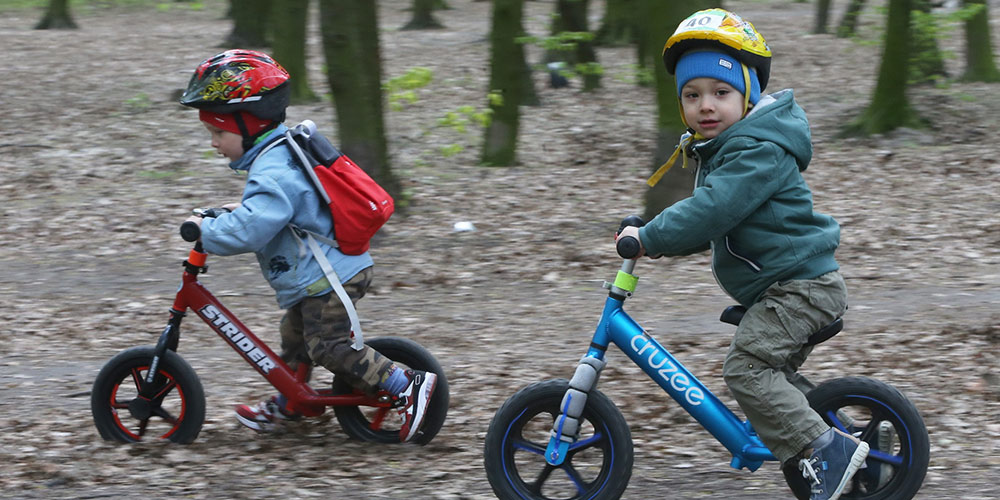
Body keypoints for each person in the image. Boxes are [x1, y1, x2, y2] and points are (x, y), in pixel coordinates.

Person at [615, 9, 868, 500]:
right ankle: (851, 441)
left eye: (721, 92)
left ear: (747, 94)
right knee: (771, 376)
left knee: (746, 370)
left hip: (800, 289)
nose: (705, 106)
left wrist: (652, 237)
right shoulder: (729, 148)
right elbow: (711, 223)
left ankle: (825, 451)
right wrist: (652, 234)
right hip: (786, 286)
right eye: (692, 95)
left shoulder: (757, 149)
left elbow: (714, 209)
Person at [177, 49, 436, 442]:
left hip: (328, 278)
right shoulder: (280, 152)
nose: (214, 143)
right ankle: (293, 402)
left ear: (249, 124)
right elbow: (279, 208)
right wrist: (232, 208)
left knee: (328, 347)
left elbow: (253, 228)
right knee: (295, 337)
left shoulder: (272, 169)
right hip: (323, 273)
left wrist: (205, 232)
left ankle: (404, 386)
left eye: (218, 133)